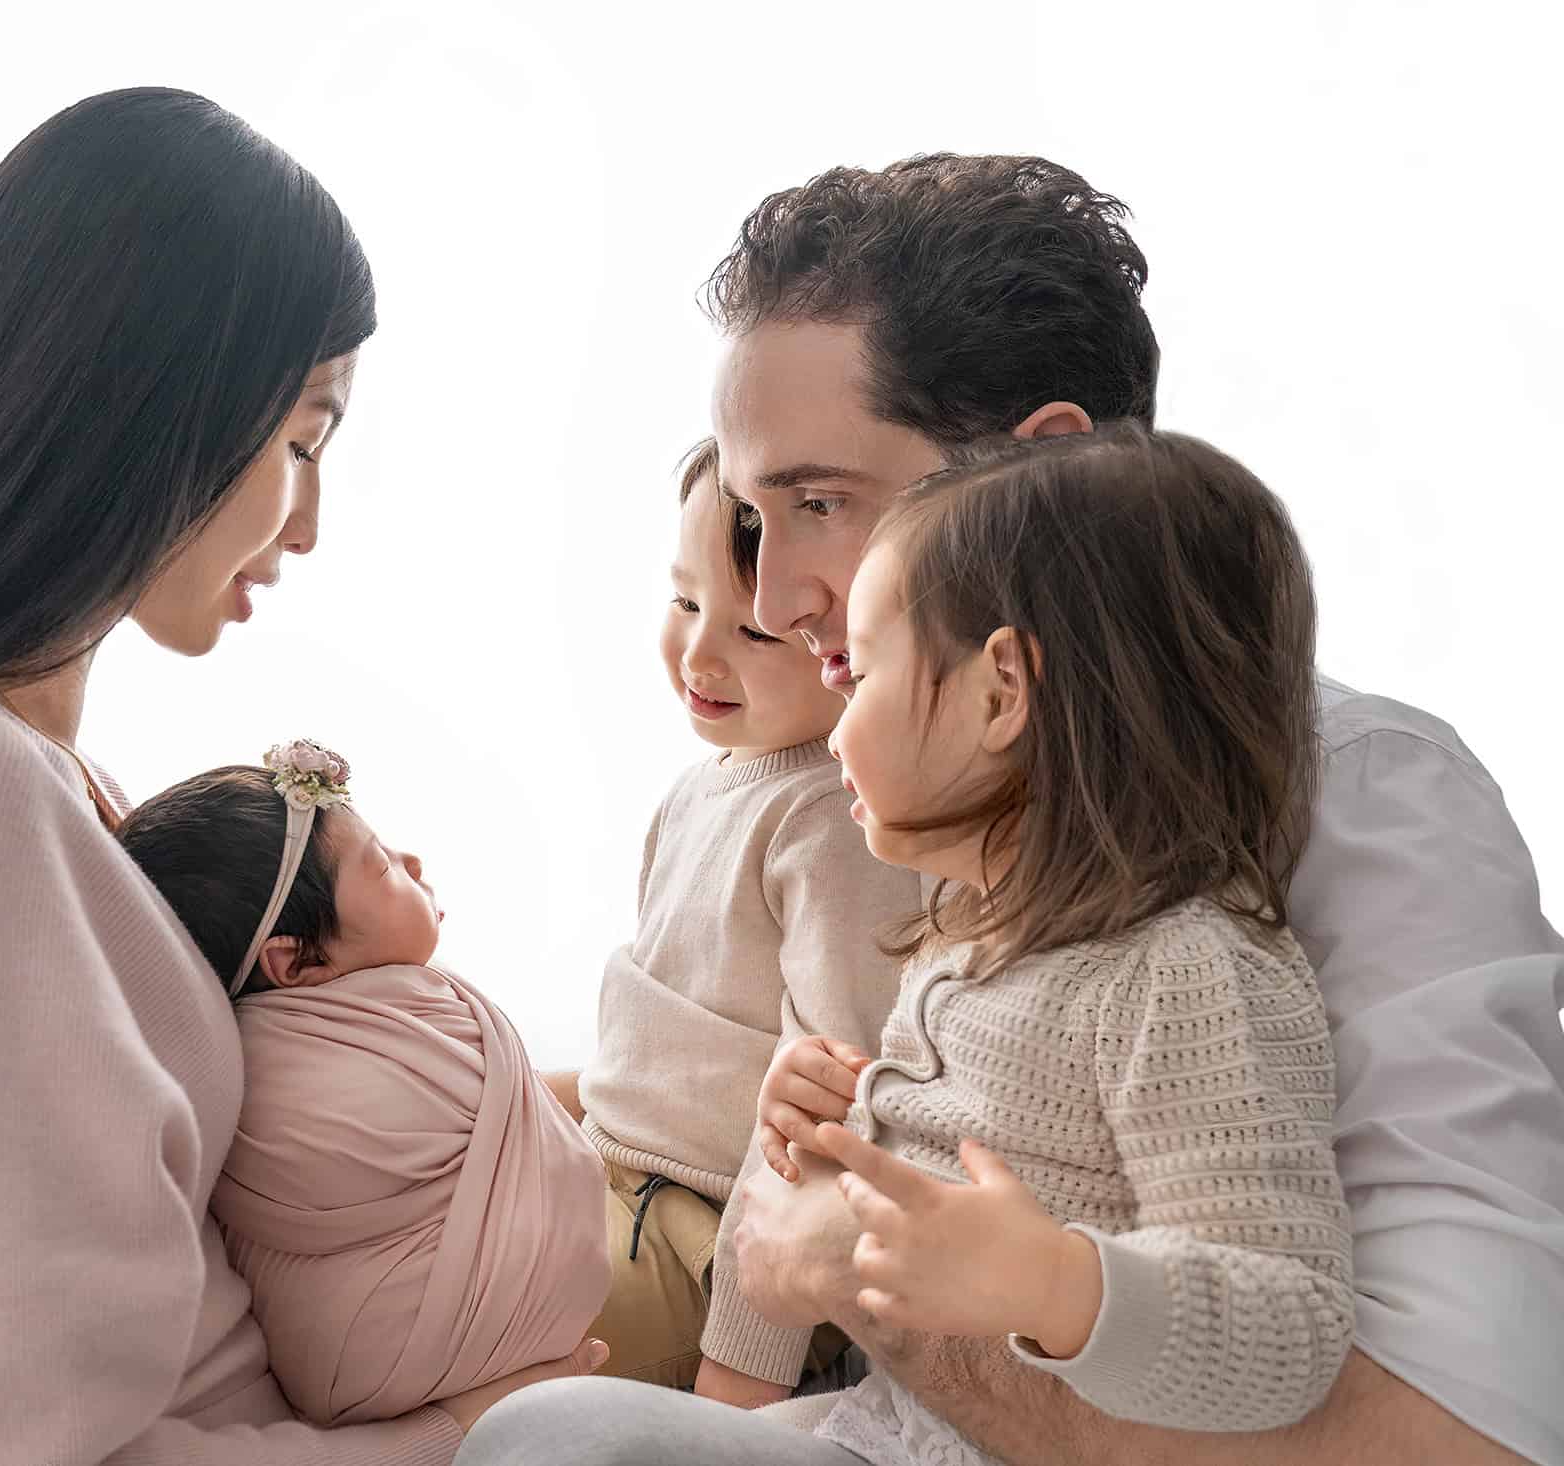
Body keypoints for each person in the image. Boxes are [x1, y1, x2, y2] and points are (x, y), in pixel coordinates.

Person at [458, 155, 1564, 1466]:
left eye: (821, 504)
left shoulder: (1365, 809)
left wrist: (885, 1273)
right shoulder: (927, 821)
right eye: (756, 520)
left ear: (1054, 466)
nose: (773, 599)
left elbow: (1463, 1438)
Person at [0, 88, 595, 1466]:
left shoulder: (35, 787)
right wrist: (469, 1432)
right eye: (303, 438)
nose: (306, 521)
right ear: (147, 401)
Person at [763, 423, 1355, 1463]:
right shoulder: (967, 937)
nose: (833, 709)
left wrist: (1059, 1284)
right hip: (886, 1423)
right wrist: (828, 1117)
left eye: (859, 675)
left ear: (1001, 690)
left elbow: (1291, 1324)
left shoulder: (1182, 971)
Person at [551, 440, 915, 1399]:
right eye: (683, 603)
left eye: (754, 635)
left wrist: (739, 1379)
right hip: (609, 1182)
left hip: (710, 1242)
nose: (699, 653)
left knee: (485, 1346)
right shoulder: (700, 790)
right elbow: (648, 1058)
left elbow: (821, 1119)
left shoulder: (837, 824)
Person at [114, 743, 609, 1427]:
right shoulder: (425, 1025)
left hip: (341, 1370)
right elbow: (538, 1139)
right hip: (475, 1352)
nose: (412, 863)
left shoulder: (226, 1059)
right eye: (378, 864)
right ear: (295, 961)